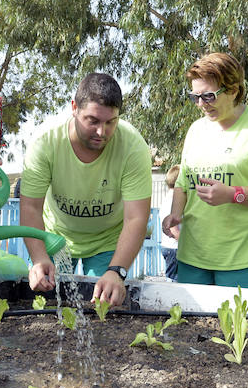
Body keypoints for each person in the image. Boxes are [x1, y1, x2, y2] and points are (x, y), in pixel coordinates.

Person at [162, 53, 248, 289]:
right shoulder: (195, 130)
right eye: (195, 97)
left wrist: (233, 194)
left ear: (234, 90)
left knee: (241, 328)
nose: (201, 105)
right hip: (193, 259)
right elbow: (183, 184)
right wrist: (175, 213)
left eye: (209, 96)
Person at [20, 73, 152, 306]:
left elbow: (136, 218)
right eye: (92, 120)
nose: (102, 131)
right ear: (74, 108)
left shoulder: (133, 147)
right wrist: (39, 257)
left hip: (108, 241)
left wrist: (117, 271)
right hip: (55, 238)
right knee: (48, 306)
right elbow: (30, 207)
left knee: (104, 307)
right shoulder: (45, 141)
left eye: (110, 122)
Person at [159, 164, 180, 281]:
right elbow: (174, 229)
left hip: (168, 246)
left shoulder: (168, 197)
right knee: (174, 282)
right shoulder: (174, 200)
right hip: (174, 247)